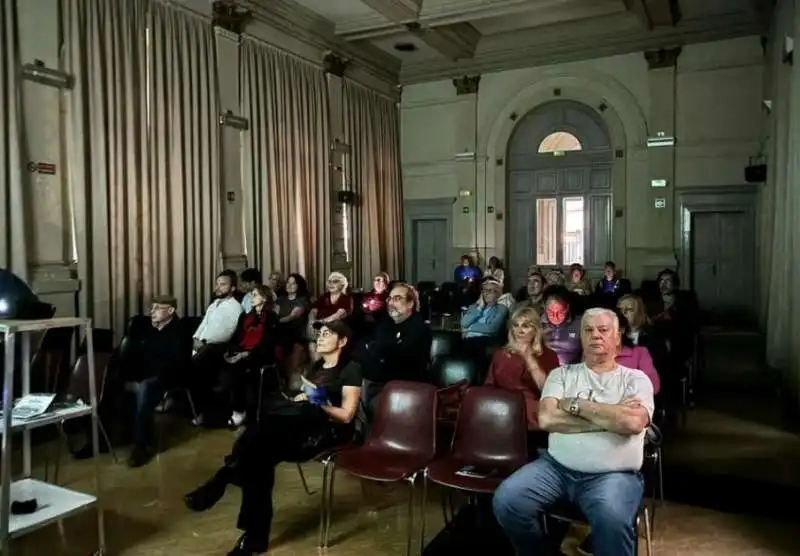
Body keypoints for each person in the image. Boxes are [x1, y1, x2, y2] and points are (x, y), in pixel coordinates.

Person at [183, 321, 362, 556]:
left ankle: (223, 481)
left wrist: (317, 403)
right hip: (295, 429)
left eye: (327, 334)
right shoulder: (317, 366)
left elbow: (347, 416)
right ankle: (253, 537)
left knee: (257, 446)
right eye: (319, 333)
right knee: (259, 458)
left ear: (342, 341)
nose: (319, 337)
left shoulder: (351, 368)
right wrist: (301, 398)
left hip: (325, 433)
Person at [492, 308, 654, 556]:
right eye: (588, 330)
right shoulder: (561, 375)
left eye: (603, 330)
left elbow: (633, 423)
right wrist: (611, 417)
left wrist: (578, 406)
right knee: (507, 501)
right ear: (580, 337)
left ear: (617, 337)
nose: (595, 336)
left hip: (613, 474)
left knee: (611, 519)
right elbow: (546, 418)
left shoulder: (636, 379)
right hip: (556, 467)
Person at [484, 306, 560, 451]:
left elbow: (548, 390)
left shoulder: (548, 355)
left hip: (531, 413)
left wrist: (528, 357)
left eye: (525, 326)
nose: (519, 330)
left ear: (536, 329)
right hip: (502, 410)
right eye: (516, 325)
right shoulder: (501, 354)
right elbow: (489, 386)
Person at [121, 295, 183, 467]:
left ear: (170, 311)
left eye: (157, 308)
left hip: (166, 376)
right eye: (152, 307)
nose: (152, 311)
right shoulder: (147, 328)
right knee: (119, 385)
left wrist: (145, 377)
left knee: (144, 390)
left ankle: (141, 446)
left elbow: (173, 362)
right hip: (144, 374)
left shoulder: (178, 331)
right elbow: (136, 355)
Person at [357, 282, 432, 417]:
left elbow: (398, 360)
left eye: (397, 298)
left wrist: (377, 351)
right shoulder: (385, 324)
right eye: (389, 299)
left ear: (410, 304)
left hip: (404, 388)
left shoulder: (419, 328)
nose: (391, 303)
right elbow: (370, 349)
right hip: (379, 382)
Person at [190, 270, 244, 426]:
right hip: (201, 346)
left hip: (217, 349)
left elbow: (225, 333)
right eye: (218, 284)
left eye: (223, 284)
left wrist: (204, 342)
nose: (218, 287)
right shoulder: (214, 304)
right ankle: (201, 411)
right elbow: (204, 324)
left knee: (197, 366)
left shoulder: (235, 307)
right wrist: (196, 338)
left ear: (232, 288)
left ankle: (208, 414)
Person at [221, 285, 280, 427]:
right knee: (223, 363)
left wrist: (246, 354)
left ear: (264, 298)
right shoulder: (245, 317)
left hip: (261, 354)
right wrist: (232, 352)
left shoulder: (271, 318)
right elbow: (236, 338)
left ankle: (240, 411)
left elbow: (269, 342)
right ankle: (225, 410)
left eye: (255, 295)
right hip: (243, 351)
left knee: (239, 368)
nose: (251, 298)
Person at [275, 273, 311, 381]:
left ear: (299, 286)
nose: (289, 285)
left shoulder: (302, 300)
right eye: (288, 282)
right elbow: (275, 314)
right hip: (281, 330)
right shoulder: (280, 300)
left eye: (293, 283)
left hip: (296, 333)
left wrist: (276, 322)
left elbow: (292, 316)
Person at [542, 293, 582, 365]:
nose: (555, 317)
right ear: (545, 308)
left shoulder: (580, 323)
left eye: (560, 312)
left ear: (567, 308)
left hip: (572, 370)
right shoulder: (538, 323)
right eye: (551, 313)